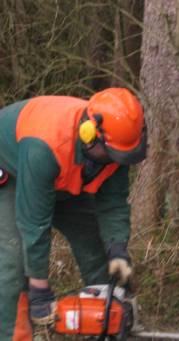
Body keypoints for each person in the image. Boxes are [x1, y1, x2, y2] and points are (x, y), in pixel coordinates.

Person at [0, 87, 147, 340]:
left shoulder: (117, 147)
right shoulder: (44, 145)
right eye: (111, 155)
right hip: (14, 170)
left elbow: (113, 203)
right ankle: (12, 334)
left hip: (66, 178)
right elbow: (33, 224)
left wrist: (117, 248)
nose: (115, 161)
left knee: (99, 251)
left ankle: (108, 323)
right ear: (89, 134)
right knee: (14, 262)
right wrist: (39, 288)